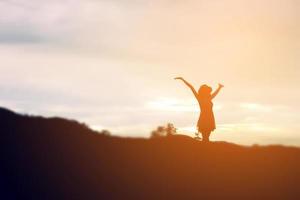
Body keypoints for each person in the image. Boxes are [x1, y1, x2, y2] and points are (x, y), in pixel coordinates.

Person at [175, 77, 224, 142]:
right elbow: (191, 87)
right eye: (206, 90)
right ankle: (204, 148)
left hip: (210, 118)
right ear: (203, 91)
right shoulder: (199, 98)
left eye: (207, 90)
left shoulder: (209, 98)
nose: (208, 91)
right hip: (204, 118)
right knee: (205, 136)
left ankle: (206, 148)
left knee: (207, 136)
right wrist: (182, 79)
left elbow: (215, 93)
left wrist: (219, 87)